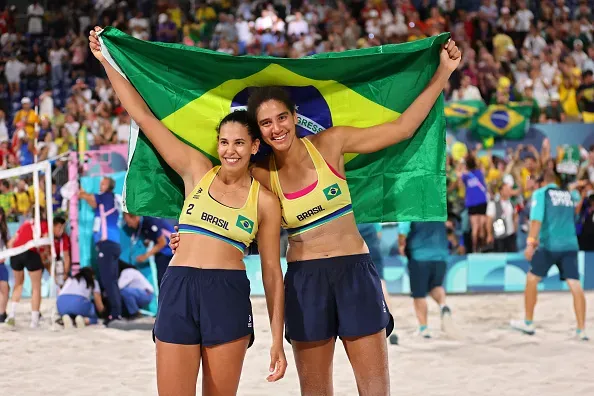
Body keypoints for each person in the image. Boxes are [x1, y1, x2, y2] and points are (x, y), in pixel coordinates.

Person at [170, 40, 462, 394]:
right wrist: (189, 236)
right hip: (305, 281)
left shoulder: (330, 144)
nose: (276, 127)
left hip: (355, 271)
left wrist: (444, 72)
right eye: (265, 123)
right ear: (258, 134)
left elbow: (401, 129)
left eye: (281, 118)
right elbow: (219, 187)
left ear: (295, 118)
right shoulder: (261, 176)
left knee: (375, 390)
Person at [89, 27, 286, 396]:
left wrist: (277, 339)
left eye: (240, 143)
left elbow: (273, 273)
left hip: (226, 293)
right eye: (224, 142)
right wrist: (107, 60)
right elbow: (145, 118)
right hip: (178, 287)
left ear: (255, 146)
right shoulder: (196, 170)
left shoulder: (265, 201)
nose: (230, 150)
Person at [510, 171, 589, 341]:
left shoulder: (541, 193)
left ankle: (528, 323)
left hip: (550, 245)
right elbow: (574, 214)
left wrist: (531, 243)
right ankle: (581, 329)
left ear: (543, 181)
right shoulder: (568, 195)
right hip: (570, 245)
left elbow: (536, 220)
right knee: (575, 284)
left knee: (531, 279)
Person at [78, 176, 123, 326]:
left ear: (109, 187)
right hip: (114, 243)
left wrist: (81, 193)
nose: (100, 185)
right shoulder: (112, 199)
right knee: (112, 281)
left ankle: (115, 315)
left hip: (107, 243)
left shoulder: (105, 197)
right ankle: (116, 313)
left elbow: (91, 199)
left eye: (103, 183)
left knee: (108, 281)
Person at [398, 221, 453, 338]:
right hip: (441, 255)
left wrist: (401, 246)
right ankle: (443, 306)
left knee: (419, 294)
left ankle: (424, 328)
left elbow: (403, 232)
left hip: (419, 256)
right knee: (436, 286)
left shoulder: (410, 209)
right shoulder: (437, 208)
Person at [5, 211, 49, 328]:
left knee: (18, 284)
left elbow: (10, 243)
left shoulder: (25, 224)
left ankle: (12, 315)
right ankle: (34, 320)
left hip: (16, 252)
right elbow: (43, 244)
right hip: (30, 252)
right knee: (36, 287)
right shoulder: (44, 225)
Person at [122, 214, 174, 288]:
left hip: (171, 250)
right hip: (165, 251)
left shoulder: (149, 221)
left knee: (164, 280)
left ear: (135, 217)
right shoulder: (141, 226)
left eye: (128, 222)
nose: (129, 225)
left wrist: (145, 256)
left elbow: (162, 242)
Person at [457, 154, 489, 252]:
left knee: (475, 228)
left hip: (471, 203)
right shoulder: (480, 173)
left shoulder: (465, 176)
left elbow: (458, 174)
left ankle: (475, 250)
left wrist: (461, 161)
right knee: (482, 227)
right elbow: (482, 164)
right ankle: (482, 249)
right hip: (482, 201)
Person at [53, 215, 71, 287]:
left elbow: (66, 257)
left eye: (63, 228)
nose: (62, 230)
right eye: (59, 227)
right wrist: (53, 274)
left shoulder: (65, 237)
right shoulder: (47, 236)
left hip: (60, 262)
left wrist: (65, 273)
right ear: (53, 226)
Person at [0, 207, 10, 323]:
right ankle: (1, 314)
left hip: (2, 263)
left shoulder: (4, 230)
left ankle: (2, 312)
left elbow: (9, 244)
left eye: (1, 214)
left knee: (5, 289)